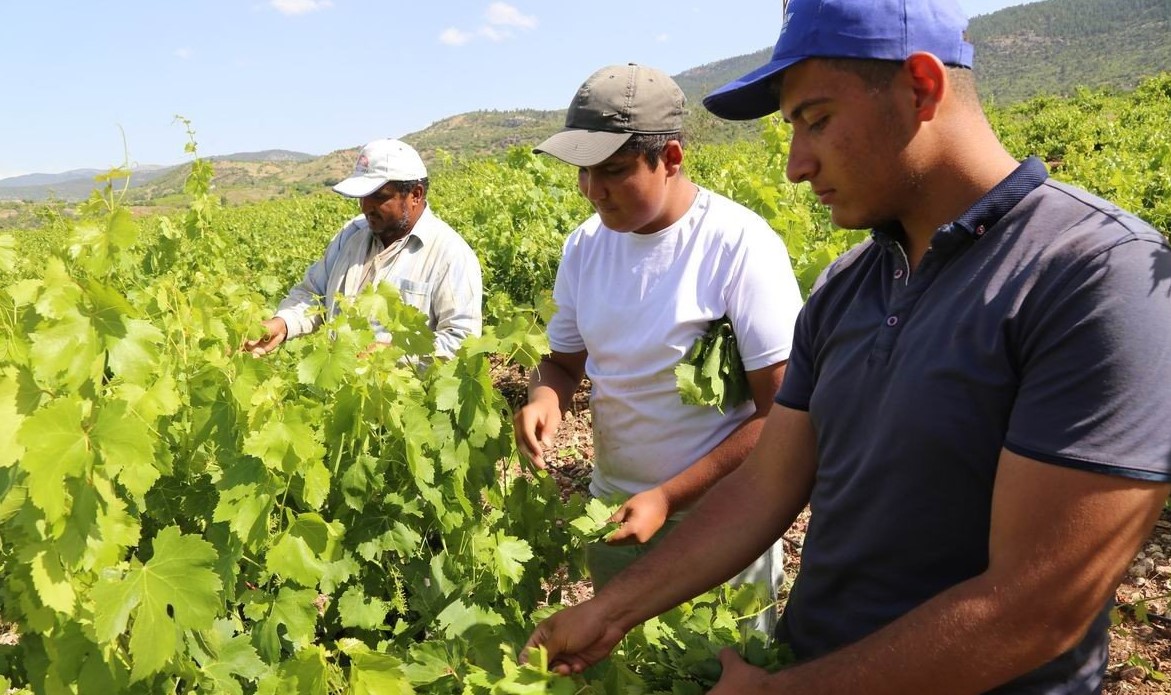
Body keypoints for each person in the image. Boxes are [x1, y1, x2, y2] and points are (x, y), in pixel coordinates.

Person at [523, 1, 1171, 692]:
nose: (796, 166)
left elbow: (1039, 606)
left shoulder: (1096, 274)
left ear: (920, 87)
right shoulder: (845, 288)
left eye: (816, 119)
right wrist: (611, 610)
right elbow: (766, 484)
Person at [513, 63, 804, 630]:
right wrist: (544, 397)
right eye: (583, 172)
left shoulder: (738, 245)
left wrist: (669, 496)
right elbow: (562, 363)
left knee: (718, 672)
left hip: (721, 525)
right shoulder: (584, 247)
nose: (593, 192)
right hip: (615, 515)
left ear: (670, 159)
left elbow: (784, 416)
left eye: (614, 171)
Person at [243, 138, 482, 360]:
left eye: (379, 196)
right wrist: (283, 323)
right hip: (342, 395)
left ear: (415, 195)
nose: (366, 206)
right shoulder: (351, 234)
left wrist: (395, 356)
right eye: (362, 196)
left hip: (400, 400)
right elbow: (313, 293)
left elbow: (462, 341)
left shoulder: (450, 254)